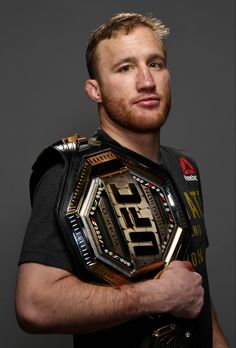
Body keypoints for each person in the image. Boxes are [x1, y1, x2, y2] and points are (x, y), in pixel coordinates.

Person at [15, 12, 228, 348]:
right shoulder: (67, 171)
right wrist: (154, 296)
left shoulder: (185, 166)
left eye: (155, 63)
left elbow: (194, 286)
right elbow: (34, 305)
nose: (146, 81)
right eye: (125, 68)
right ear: (94, 90)